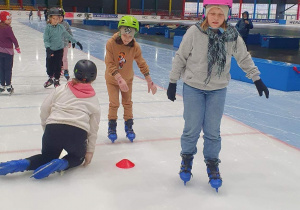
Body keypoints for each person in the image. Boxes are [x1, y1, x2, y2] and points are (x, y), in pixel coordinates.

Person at [167, 0, 269, 192]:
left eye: (220, 14)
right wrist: (173, 82)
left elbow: (243, 57)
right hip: (193, 87)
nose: (215, 18)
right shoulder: (194, 32)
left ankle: (212, 163)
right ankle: (187, 159)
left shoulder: (232, 35)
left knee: (213, 131)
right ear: (206, 13)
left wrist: (256, 79)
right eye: (212, 13)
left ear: (226, 15)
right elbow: (180, 56)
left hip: (218, 89)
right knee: (191, 128)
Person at [0, 59, 100, 179]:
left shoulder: (61, 88)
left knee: (46, 157)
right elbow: (94, 128)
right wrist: (89, 151)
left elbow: (44, 108)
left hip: (53, 129)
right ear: (93, 78)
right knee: (77, 158)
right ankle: (60, 163)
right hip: (77, 133)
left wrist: (47, 127)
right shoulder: (93, 99)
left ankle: (20, 164)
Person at [105, 15, 157, 143]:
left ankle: (129, 127)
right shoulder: (111, 43)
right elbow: (110, 64)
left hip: (127, 79)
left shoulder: (135, 47)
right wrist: (119, 79)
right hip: (113, 80)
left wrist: (149, 80)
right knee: (114, 103)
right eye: (124, 36)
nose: (127, 39)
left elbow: (141, 63)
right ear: (120, 32)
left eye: (130, 36)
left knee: (128, 103)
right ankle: (112, 127)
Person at [43, 7, 83, 88]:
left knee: (58, 66)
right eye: (53, 18)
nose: (55, 20)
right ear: (50, 18)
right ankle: (50, 78)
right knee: (49, 66)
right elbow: (46, 39)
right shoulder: (48, 28)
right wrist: (48, 48)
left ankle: (57, 80)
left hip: (59, 50)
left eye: (57, 18)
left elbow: (67, 35)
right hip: (50, 50)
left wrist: (76, 41)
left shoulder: (61, 27)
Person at [0, 11, 21, 95]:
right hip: (8, 52)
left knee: (1, 69)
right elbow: (13, 38)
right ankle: (8, 85)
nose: (10, 20)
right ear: (4, 19)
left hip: (0, 52)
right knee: (8, 69)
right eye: (8, 19)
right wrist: (17, 46)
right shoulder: (7, 28)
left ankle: (2, 85)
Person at [58, 8, 72, 80]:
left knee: (64, 58)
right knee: (58, 58)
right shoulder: (54, 24)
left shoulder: (66, 24)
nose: (60, 18)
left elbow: (69, 33)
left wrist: (70, 41)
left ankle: (66, 70)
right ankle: (59, 70)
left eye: (61, 16)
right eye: (58, 17)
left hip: (65, 44)